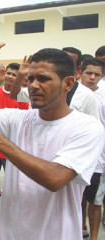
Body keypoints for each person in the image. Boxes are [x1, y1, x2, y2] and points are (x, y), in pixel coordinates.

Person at [0, 21, 104, 240]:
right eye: (31, 78)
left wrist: (2, 144)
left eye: (43, 79)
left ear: (68, 83)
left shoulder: (87, 128)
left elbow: (55, 178)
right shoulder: (18, 118)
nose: (33, 85)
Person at [0, 62, 30, 196]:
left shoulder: (23, 98)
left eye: (14, 75)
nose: (10, 77)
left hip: (11, 146)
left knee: (13, 181)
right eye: (9, 73)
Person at [80, 57, 105, 240]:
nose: (92, 77)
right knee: (76, 197)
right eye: (89, 72)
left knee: (95, 201)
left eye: (97, 74)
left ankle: (94, 237)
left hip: (98, 159)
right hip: (76, 156)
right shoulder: (70, 92)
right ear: (81, 71)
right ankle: (80, 229)